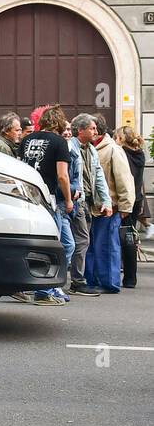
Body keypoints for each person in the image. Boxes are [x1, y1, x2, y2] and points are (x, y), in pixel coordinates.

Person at [14, 105, 73, 304]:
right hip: (48, 198)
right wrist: (69, 199)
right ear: (58, 122)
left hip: (26, 197)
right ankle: (46, 289)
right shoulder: (59, 142)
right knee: (56, 244)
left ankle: (33, 285)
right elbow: (63, 176)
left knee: (31, 243)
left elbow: (18, 167)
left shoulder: (27, 139)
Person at [86, 117, 135, 294]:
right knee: (93, 246)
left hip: (110, 207)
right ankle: (92, 280)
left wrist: (125, 207)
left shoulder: (113, 149)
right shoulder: (89, 148)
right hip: (92, 207)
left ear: (97, 130)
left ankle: (109, 282)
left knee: (107, 246)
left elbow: (124, 179)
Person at [67, 114, 111, 298]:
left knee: (81, 241)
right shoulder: (70, 148)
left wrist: (106, 200)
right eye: (92, 128)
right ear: (81, 130)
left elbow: (99, 176)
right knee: (81, 240)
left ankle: (76, 279)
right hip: (77, 201)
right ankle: (77, 281)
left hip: (88, 202)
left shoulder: (91, 150)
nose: (96, 131)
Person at [117, 125, 145, 289]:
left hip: (126, 200)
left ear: (121, 139)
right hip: (136, 200)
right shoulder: (139, 154)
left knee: (123, 237)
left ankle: (126, 277)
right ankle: (130, 277)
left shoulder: (123, 154)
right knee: (129, 237)